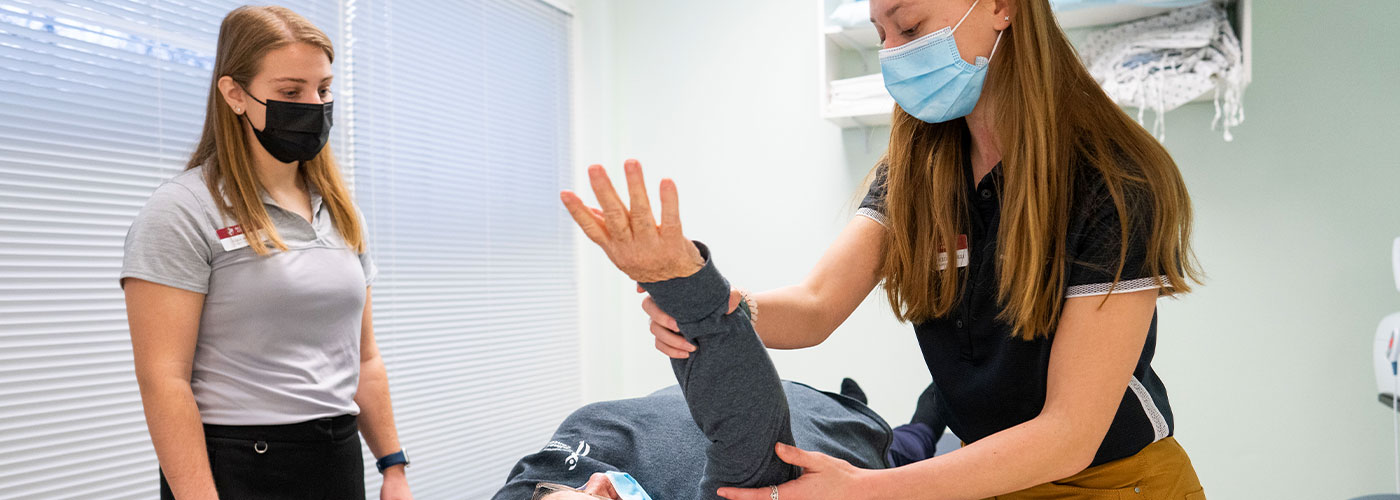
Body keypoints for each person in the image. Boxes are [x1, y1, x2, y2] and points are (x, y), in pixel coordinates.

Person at [639, 0, 1207, 499]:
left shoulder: (1112, 183)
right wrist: (717, 311)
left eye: (908, 29)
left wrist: (868, 491)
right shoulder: (919, 171)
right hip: (982, 475)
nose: (891, 55)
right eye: (879, 34)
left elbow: (1068, 434)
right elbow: (816, 306)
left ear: (1002, 7)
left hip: (1113, 482)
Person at [498, 162, 948, 500]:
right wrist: (686, 289)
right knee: (909, 442)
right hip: (832, 435)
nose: (598, 484)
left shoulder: (527, 479)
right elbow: (747, 424)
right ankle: (919, 414)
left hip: (713, 399)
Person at [120, 6, 411, 499]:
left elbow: (364, 358)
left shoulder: (341, 212)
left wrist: (393, 467)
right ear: (235, 94)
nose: (314, 105)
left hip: (335, 457)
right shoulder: (184, 210)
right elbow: (164, 381)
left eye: (323, 88)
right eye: (291, 92)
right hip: (238, 467)